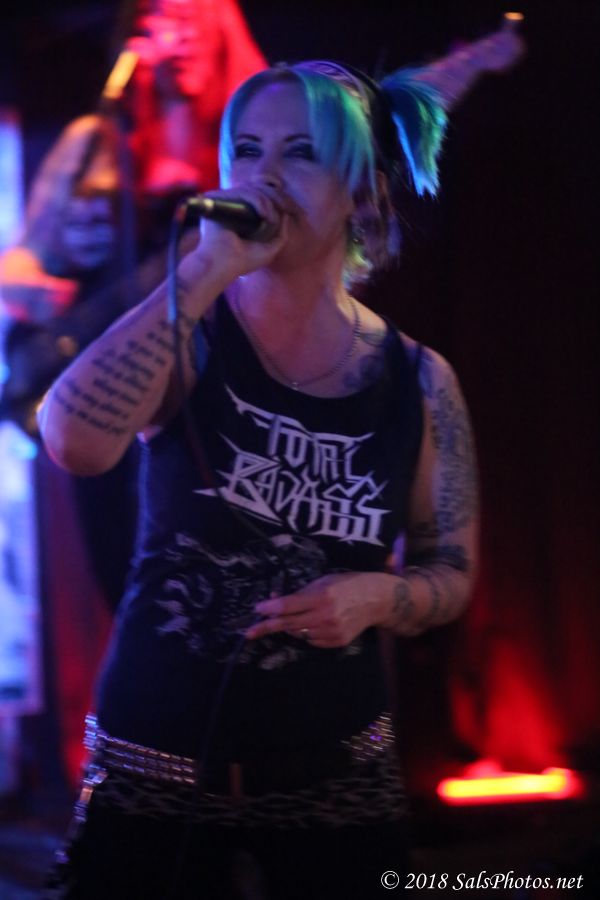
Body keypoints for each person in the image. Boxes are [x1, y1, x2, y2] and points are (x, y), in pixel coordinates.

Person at [38, 18, 523, 900]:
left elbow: (450, 571)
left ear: (361, 192)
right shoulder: (189, 330)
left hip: (336, 779)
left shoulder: (419, 381)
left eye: (300, 153)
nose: (263, 174)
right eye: (246, 150)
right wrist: (203, 271)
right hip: (155, 770)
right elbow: (72, 441)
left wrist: (378, 596)